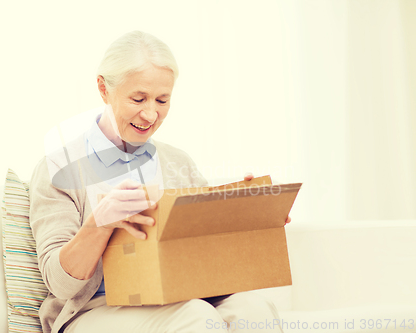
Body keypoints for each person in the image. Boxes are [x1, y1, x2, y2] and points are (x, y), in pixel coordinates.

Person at [29, 30, 291, 333]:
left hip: (177, 298)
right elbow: (60, 284)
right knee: (193, 316)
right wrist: (99, 223)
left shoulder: (178, 163)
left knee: (253, 310)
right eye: (137, 98)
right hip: (93, 310)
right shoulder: (59, 169)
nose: (151, 113)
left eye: (162, 100)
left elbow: (207, 254)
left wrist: (248, 218)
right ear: (103, 88)